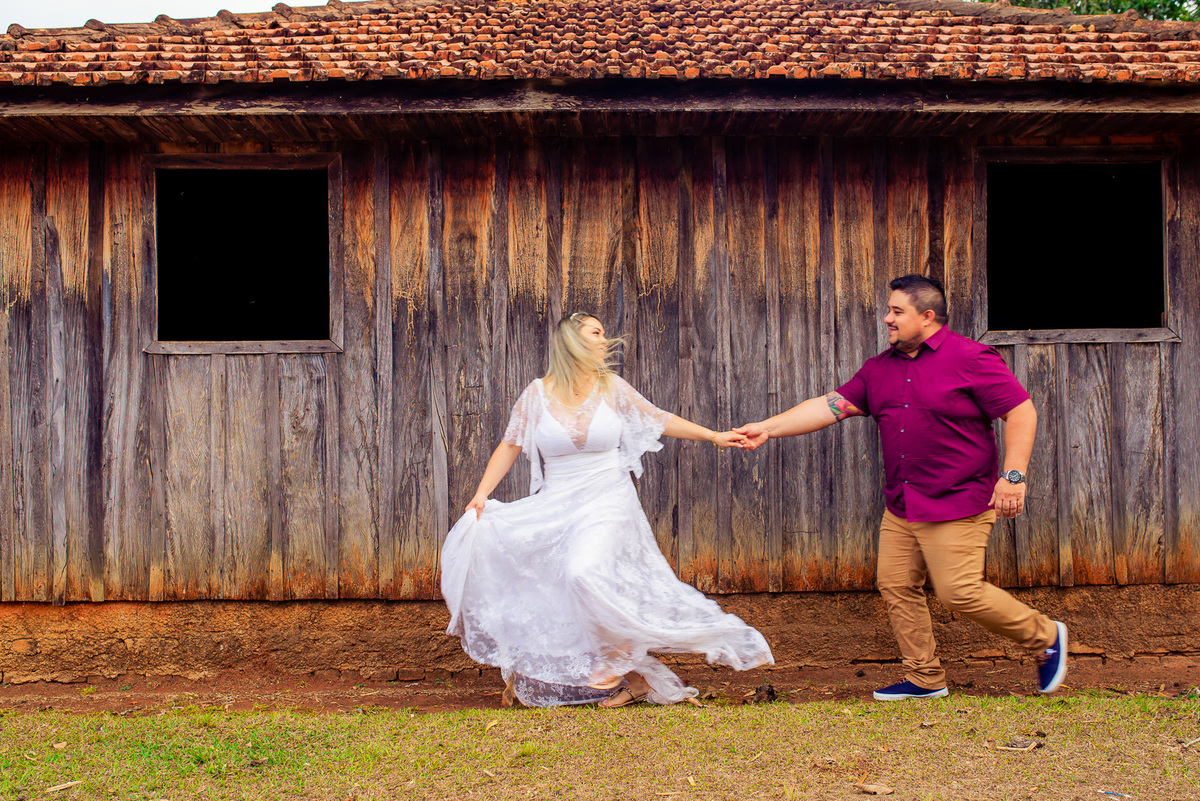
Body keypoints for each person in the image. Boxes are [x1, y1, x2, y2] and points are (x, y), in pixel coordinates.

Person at [734, 275, 1067, 701]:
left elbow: (1020, 411)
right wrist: (766, 428)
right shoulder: (880, 369)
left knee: (959, 591)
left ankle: (1044, 636)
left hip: (958, 500)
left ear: (927, 317)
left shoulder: (972, 358)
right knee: (895, 585)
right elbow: (829, 406)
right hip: (903, 505)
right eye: (889, 310)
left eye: (896, 311)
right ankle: (925, 677)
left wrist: (1014, 475)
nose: (887, 319)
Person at [441, 312, 773, 708]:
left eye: (603, 334)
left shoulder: (611, 387)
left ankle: (615, 666)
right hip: (558, 501)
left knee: (584, 572)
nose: (604, 341)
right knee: (555, 582)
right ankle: (630, 679)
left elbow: (658, 419)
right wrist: (481, 494)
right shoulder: (536, 394)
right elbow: (510, 445)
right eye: (595, 333)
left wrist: (713, 435)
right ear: (572, 341)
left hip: (608, 497)